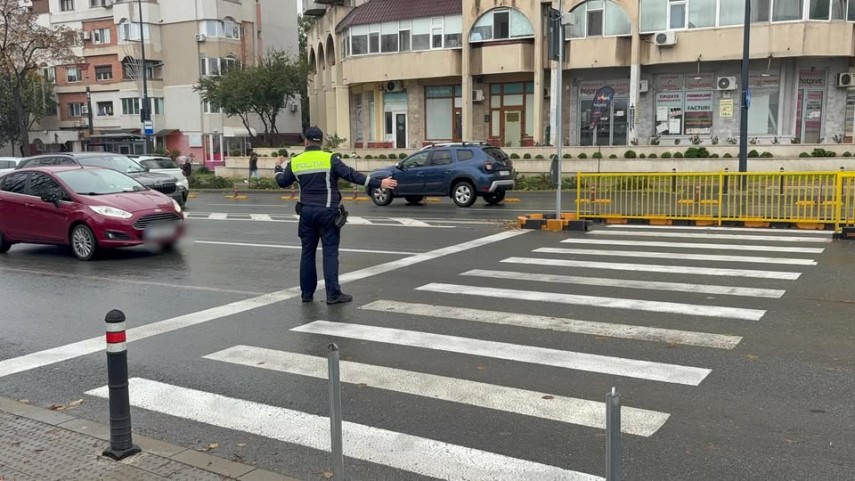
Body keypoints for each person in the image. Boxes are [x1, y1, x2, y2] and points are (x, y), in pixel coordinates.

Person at [274, 126, 397, 304]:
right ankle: (333, 294)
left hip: (306, 213)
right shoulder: (330, 159)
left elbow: (282, 182)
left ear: (305, 141)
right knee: (330, 253)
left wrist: (277, 167)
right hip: (328, 213)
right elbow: (351, 175)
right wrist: (380, 182)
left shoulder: (296, 161)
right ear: (321, 141)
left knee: (307, 253)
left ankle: (307, 294)